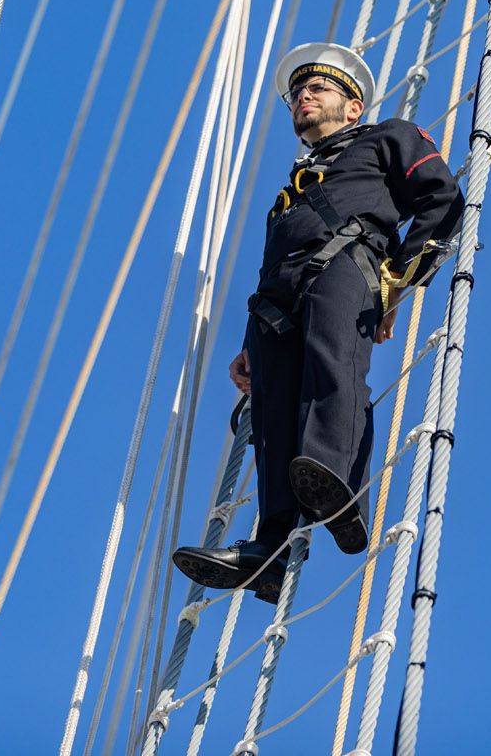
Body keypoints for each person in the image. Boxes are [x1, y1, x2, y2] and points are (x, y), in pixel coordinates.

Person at [172, 42, 465, 603]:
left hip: (346, 268)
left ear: (353, 107)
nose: (304, 97)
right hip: (273, 308)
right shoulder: (287, 195)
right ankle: (271, 549)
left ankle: (339, 488)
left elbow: (442, 200)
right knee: (273, 415)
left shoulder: (387, 138)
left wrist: (397, 279)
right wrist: (245, 348)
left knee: (333, 371)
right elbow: (269, 264)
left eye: (319, 88)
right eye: (298, 94)